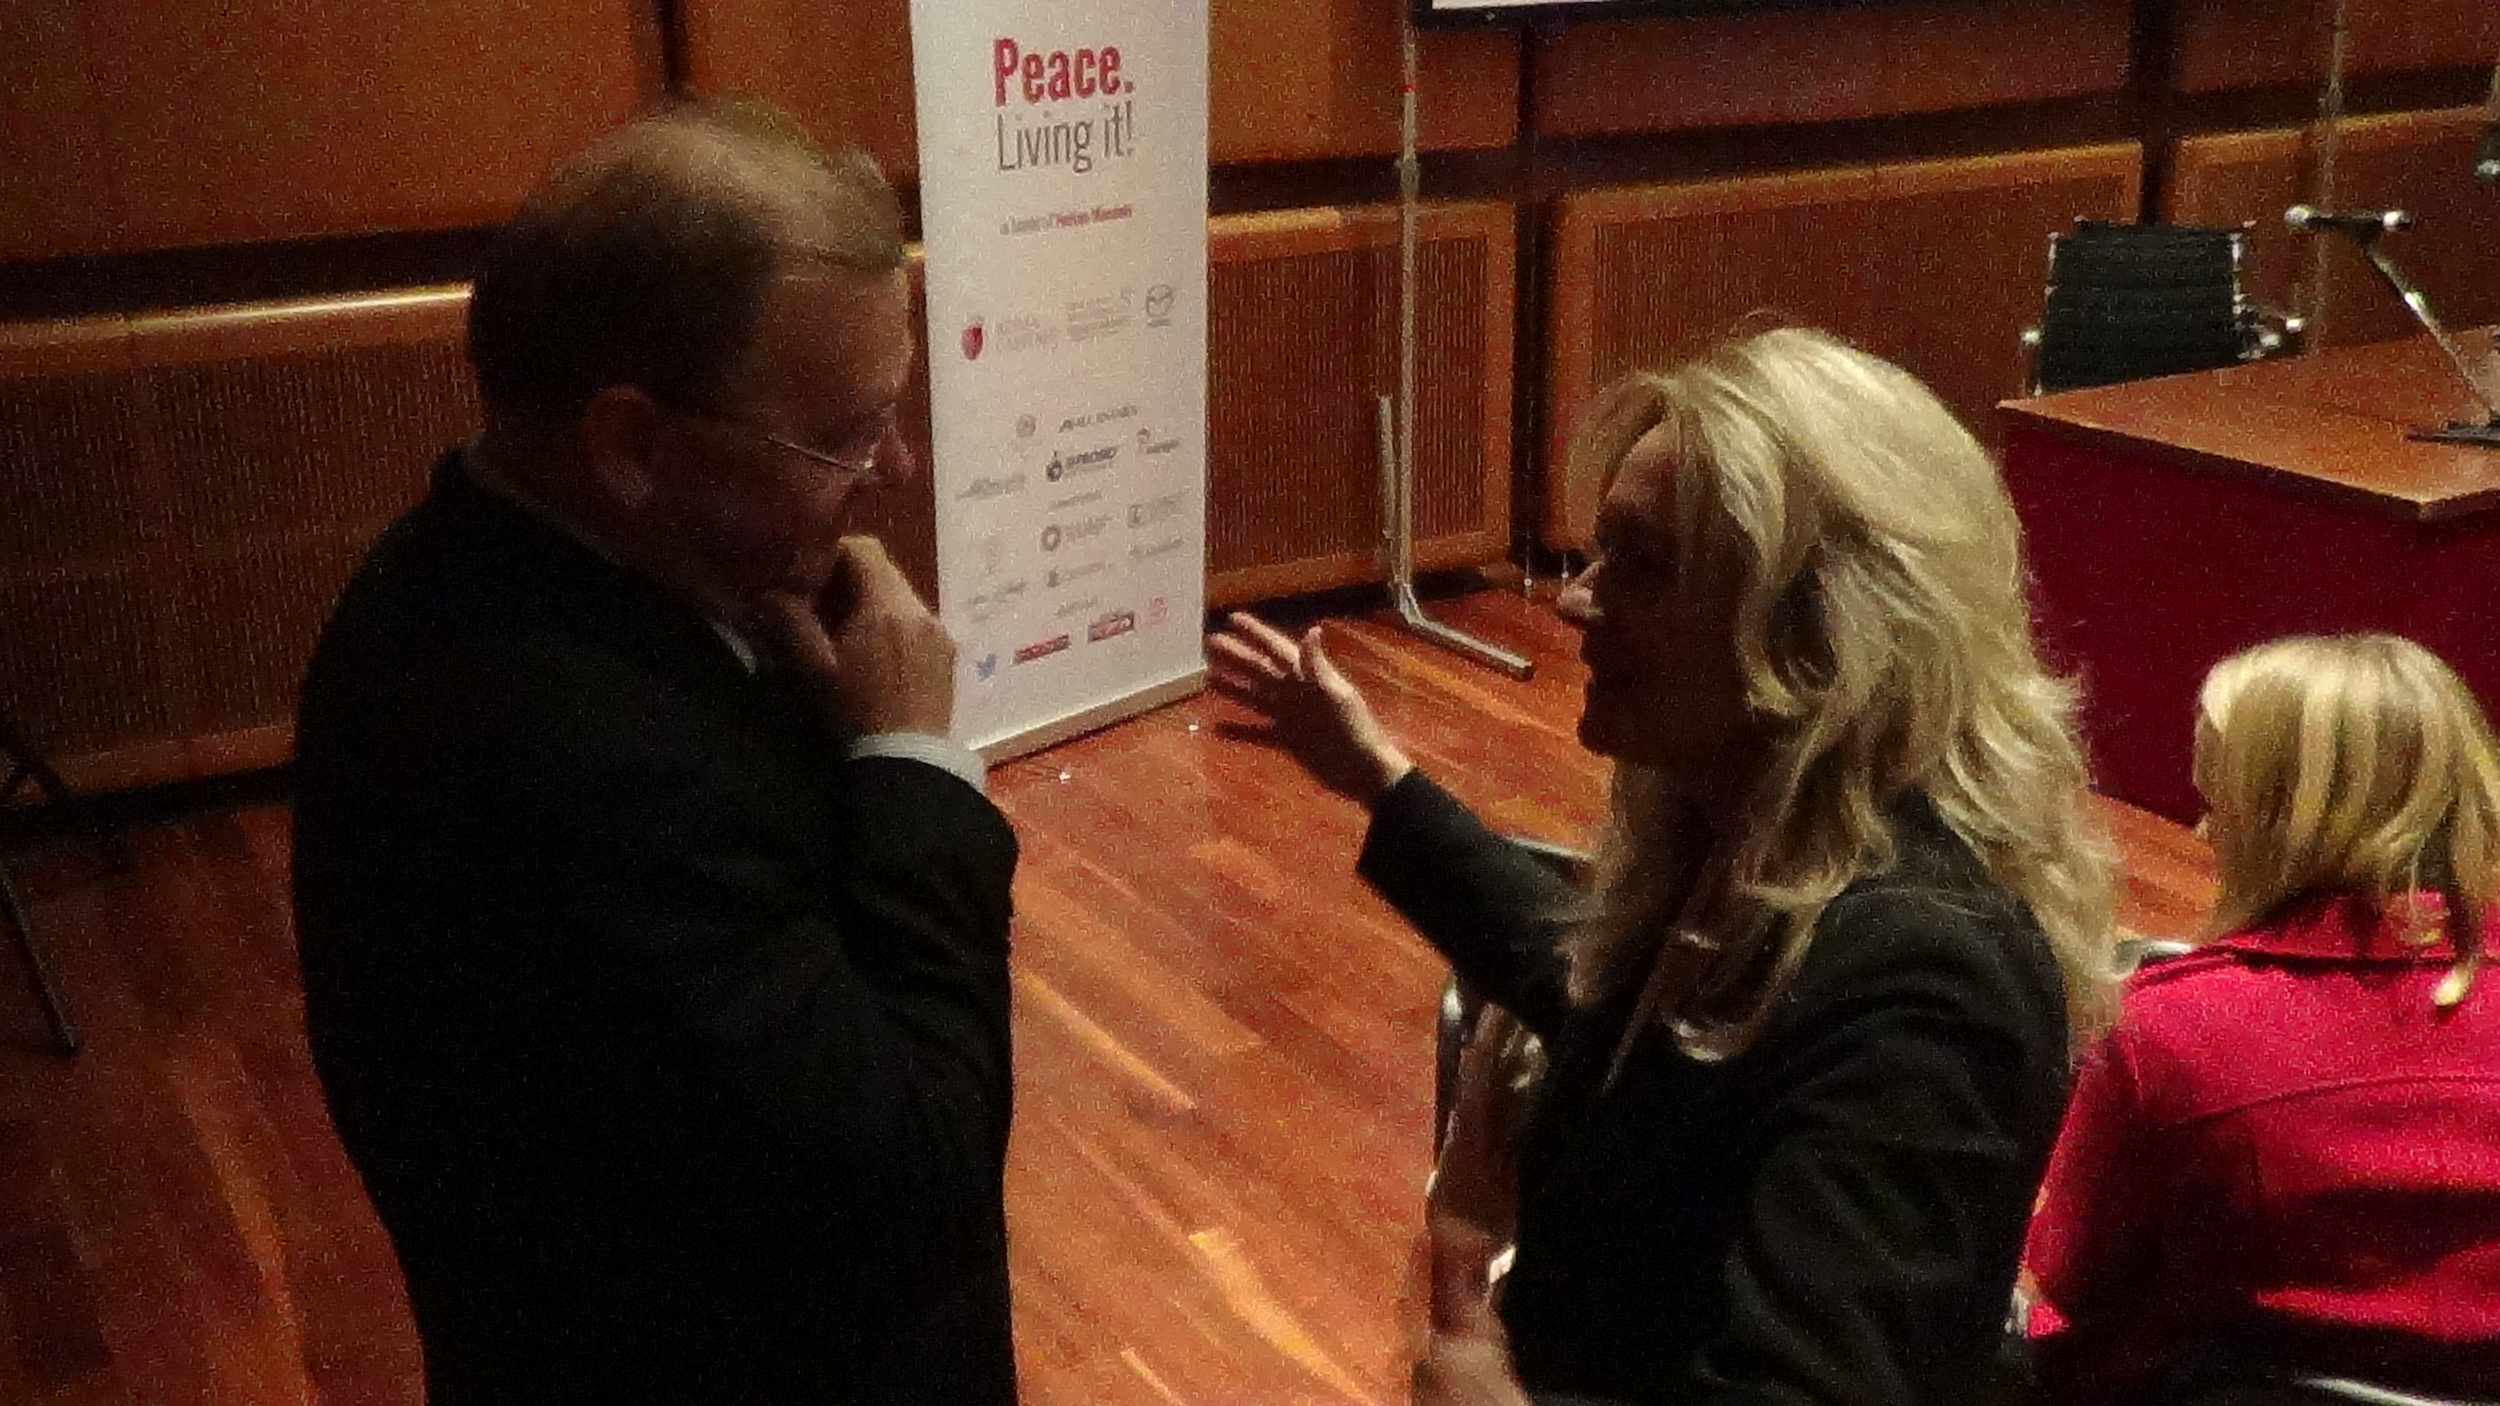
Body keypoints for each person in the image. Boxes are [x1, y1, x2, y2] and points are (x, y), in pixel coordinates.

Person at [1212, 326, 2115, 1405]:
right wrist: (1381, 781)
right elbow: (1601, 995)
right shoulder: (1751, 847)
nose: (1575, 601)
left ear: (1821, 622)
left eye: (1641, 565)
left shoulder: (1926, 982)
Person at [291, 100, 1020, 1405]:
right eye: (847, 432)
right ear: (631, 444)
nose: (899, 471)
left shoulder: (497, 566)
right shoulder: (569, 757)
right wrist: (911, 757)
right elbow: (916, 1172)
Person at [2025, 634, 2500, 1403]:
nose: (2207, 834)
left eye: (2217, 806)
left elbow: (2074, 1289)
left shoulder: (2170, 1029)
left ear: (2276, 820)